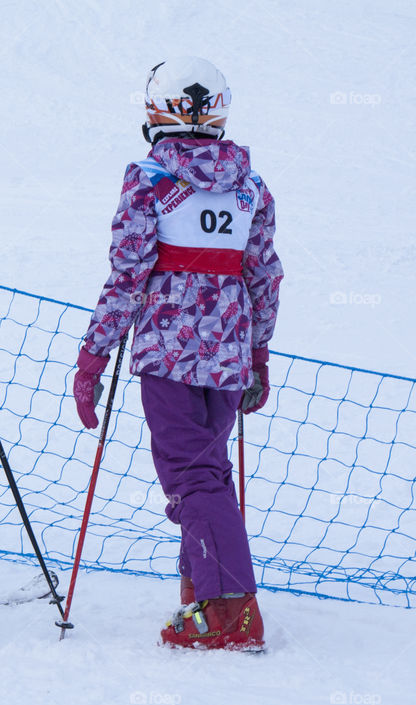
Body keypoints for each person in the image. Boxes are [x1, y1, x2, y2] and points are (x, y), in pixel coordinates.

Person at [73, 57, 282, 650]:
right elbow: (263, 275)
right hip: (228, 352)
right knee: (207, 472)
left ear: (155, 108)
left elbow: (127, 274)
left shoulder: (150, 180)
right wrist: (258, 351)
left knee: (191, 479)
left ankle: (231, 613)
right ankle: (202, 587)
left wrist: (94, 355)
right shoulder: (250, 186)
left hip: (168, 352)